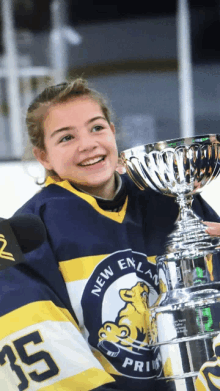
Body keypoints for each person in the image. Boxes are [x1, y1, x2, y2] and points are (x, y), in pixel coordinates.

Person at [0, 78, 220, 391]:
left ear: (113, 133)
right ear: (43, 157)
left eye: (97, 128)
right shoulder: (24, 234)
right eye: (66, 138)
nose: (87, 144)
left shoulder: (172, 199)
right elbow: (31, 339)